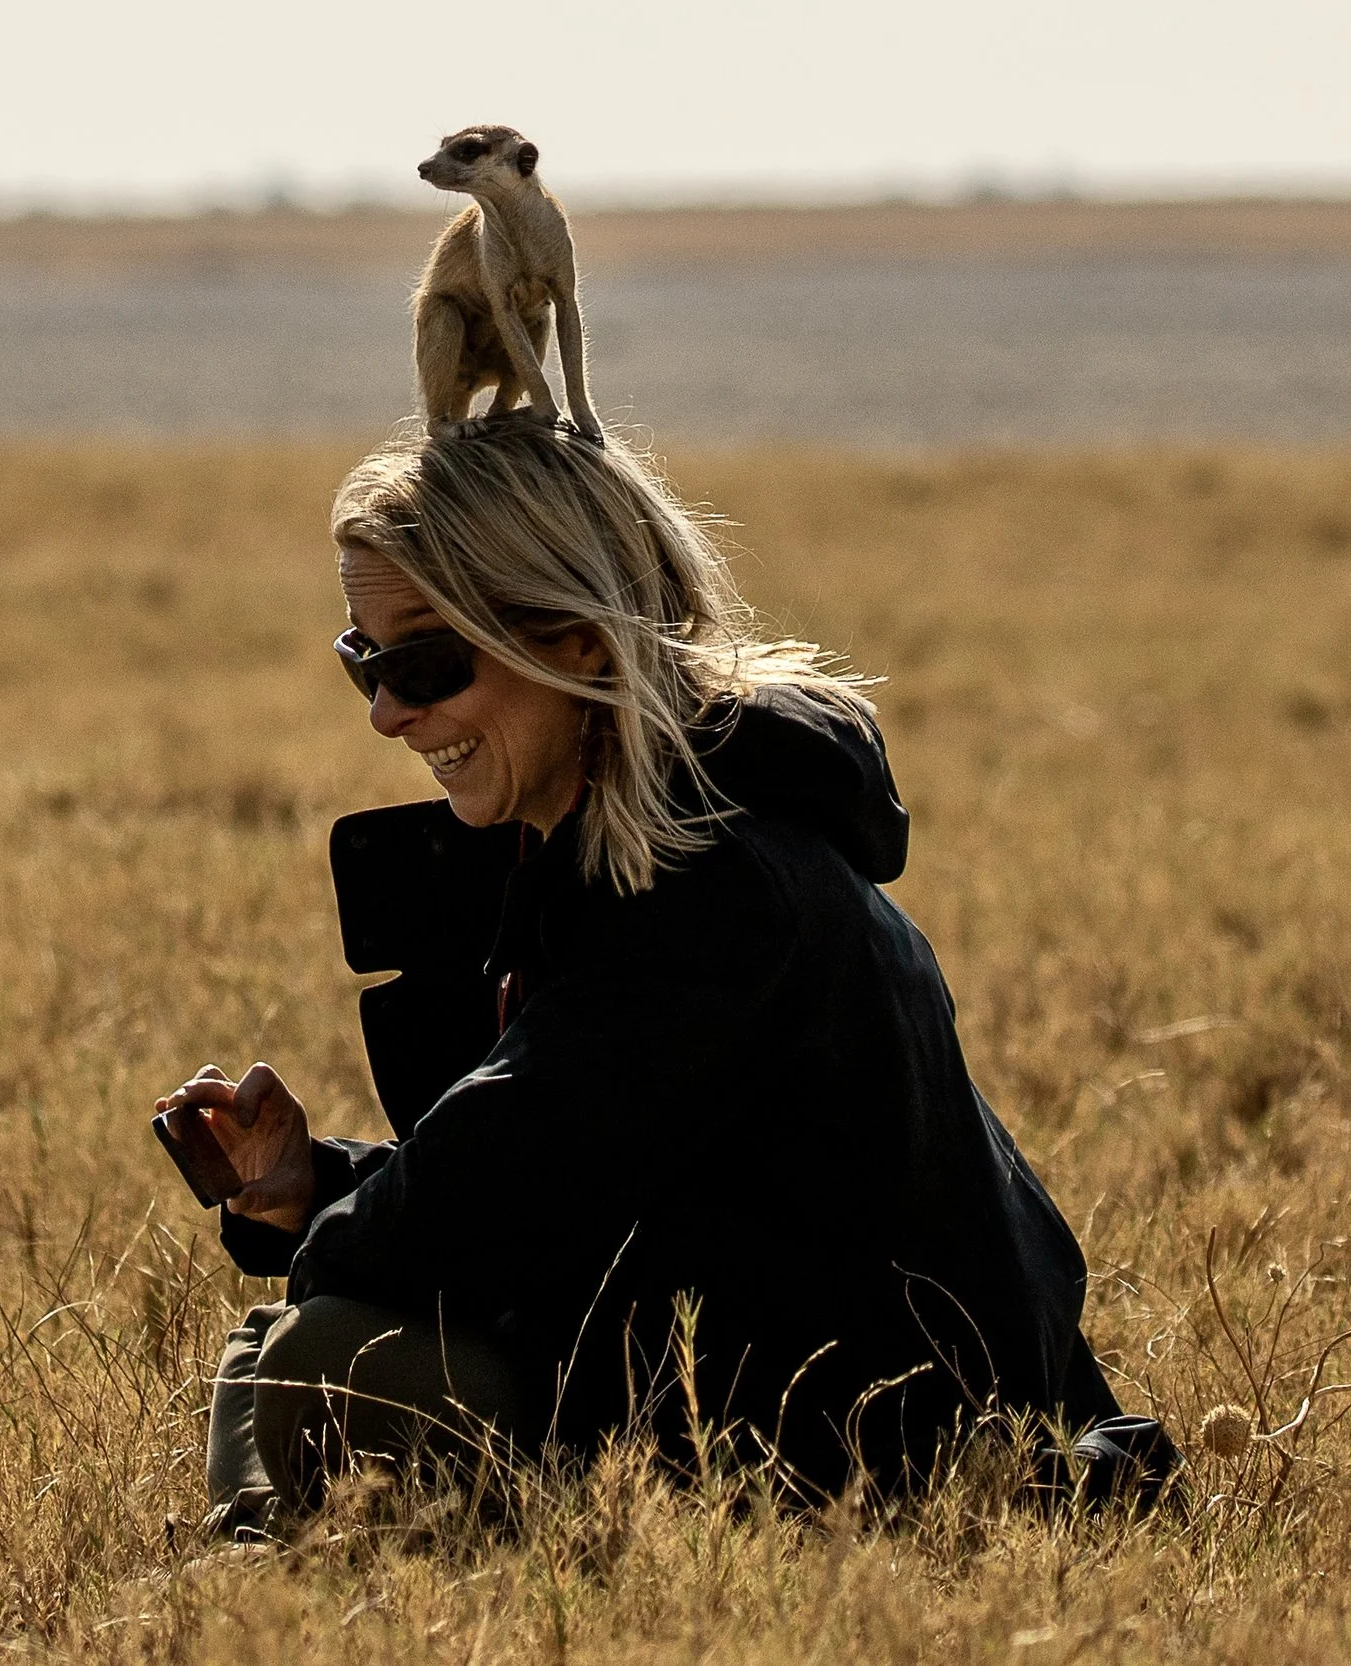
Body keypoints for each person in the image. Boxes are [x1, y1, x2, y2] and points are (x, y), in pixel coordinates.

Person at [158, 415, 1167, 1534]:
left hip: (869, 1467)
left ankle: (263, 1599)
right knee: (302, 1343)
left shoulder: (711, 888)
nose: (390, 712)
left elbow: (489, 1193)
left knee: (328, 1355)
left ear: (580, 638)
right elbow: (555, 1167)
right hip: (764, 1400)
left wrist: (334, 1226)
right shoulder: (656, 841)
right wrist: (311, 1184)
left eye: (427, 662)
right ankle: (262, 1585)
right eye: (365, 663)